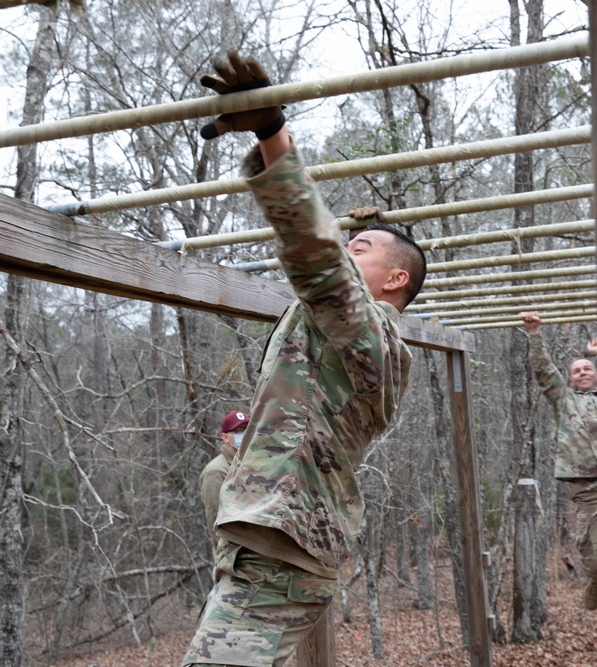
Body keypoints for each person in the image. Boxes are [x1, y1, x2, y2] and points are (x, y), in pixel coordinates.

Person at [181, 50, 427, 667]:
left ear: (395, 279)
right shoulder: (343, 333)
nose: (348, 247)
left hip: (284, 548)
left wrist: (272, 134)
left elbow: (315, 254)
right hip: (277, 543)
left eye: (361, 247)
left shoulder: (374, 338)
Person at [520, 310, 597, 611]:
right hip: (588, 487)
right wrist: (534, 334)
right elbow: (544, 371)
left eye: (588, 368)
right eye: (577, 370)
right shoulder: (564, 399)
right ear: (570, 379)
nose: (583, 372)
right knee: (593, 551)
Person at [200, 410, 250, 558]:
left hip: (255, 557)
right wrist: (227, 559)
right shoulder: (216, 471)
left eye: (248, 429)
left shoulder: (251, 466)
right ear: (225, 437)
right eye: (239, 430)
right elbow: (215, 520)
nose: (245, 434)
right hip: (233, 561)